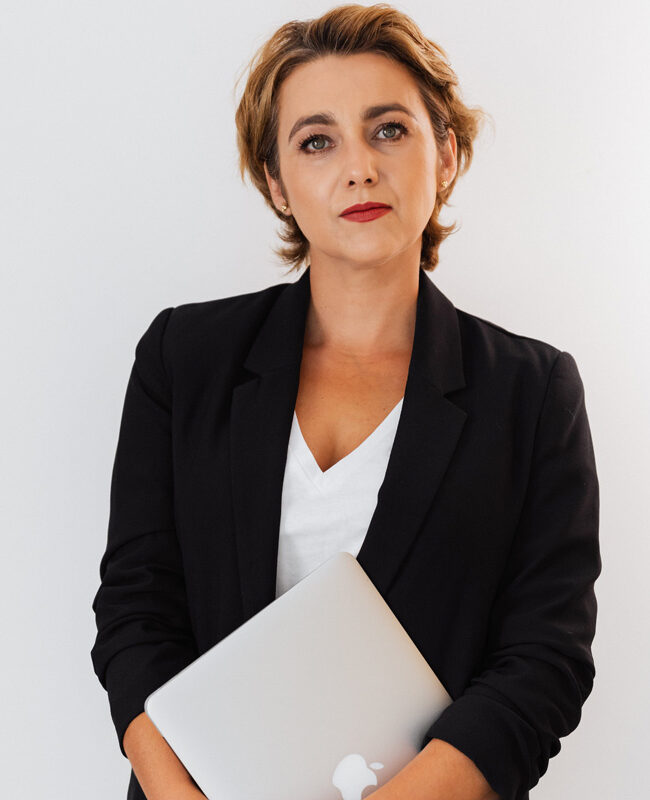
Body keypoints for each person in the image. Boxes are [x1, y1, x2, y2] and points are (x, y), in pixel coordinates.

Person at [90, 4, 601, 800]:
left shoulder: (533, 393)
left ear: (446, 154)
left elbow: (545, 660)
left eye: (389, 130)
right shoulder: (183, 360)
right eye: (316, 141)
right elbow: (135, 611)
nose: (358, 167)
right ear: (276, 181)